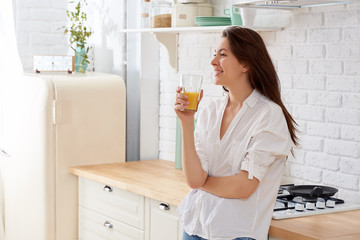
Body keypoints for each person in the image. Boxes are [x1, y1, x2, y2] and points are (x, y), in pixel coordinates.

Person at [174, 26, 298, 240]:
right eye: (214, 54)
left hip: (236, 235)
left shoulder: (268, 115)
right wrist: (186, 122)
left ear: (246, 64)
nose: (213, 61)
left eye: (222, 55)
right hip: (195, 228)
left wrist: (204, 183)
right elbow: (194, 180)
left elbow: (243, 187)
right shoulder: (210, 111)